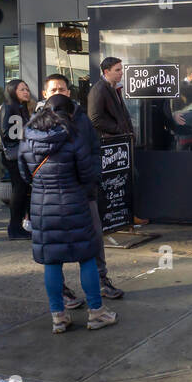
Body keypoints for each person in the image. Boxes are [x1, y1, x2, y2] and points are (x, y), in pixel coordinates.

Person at [18, 93, 117, 334]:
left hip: (42, 207)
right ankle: (96, 313)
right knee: (87, 257)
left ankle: (59, 317)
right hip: (74, 203)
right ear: (68, 113)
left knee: (51, 261)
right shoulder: (74, 138)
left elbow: (24, 175)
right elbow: (89, 175)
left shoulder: (27, 139)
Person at [44, 74, 124, 301]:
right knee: (54, 247)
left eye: (62, 88)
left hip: (84, 192)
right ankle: (62, 292)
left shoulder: (82, 118)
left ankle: (101, 281)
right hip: (51, 197)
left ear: (69, 92)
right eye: (53, 89)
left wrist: (93, 176)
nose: (58, 92)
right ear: (45, 94)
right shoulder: (38, 121)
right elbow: (28, 160)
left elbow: (95, 149)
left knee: (94, 240)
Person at [86, 57, 147, 226]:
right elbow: (95, 119)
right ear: (106, 72)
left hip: (120, 143)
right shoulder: (99, 90)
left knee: (129, 178)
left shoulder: (112, 88)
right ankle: (121, 217)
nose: (121, 73)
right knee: (122, 180)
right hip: (110, 144)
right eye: (117, 70)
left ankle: (127, 216)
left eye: (121, 69)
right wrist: (121, 130)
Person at [0, 78, 33, 241]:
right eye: (22, 89)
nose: (26, 92)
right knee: (19, 191)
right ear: (13, 91)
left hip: (20, 155)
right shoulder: (10, 108)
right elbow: (10, 135)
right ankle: (15, 228)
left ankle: (19, 226)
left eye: (26, 89)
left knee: (22, 190)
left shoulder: (21, 108)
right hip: (14, 157)